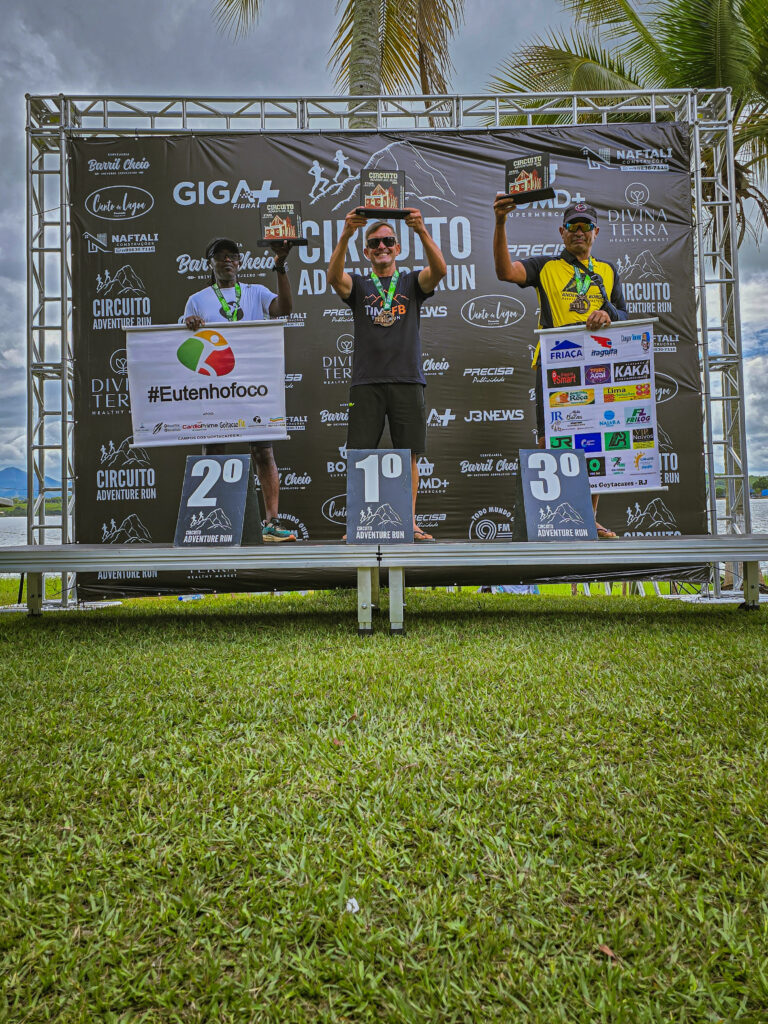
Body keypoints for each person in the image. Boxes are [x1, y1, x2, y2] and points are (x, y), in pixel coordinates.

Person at [493, 199, 629, 539]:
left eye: (585, 226)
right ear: (562, 232)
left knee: (595, 443)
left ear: (596, 232)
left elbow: (624, 314)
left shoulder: (607, 270)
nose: (579, 232)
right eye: (572, 226)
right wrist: (500, 222)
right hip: (556, 363)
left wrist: (608, 315)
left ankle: (588, 518)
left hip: (597, 364)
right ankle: (552, 521)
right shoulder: (545, 266)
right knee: (550, 439)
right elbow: (505, 272)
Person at [327, 210, 447, 540]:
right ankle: (356, 523)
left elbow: (439, 271)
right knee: (359, 455)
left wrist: (421, 230)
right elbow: (334, 278)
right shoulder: (359, 284)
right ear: (366, 251)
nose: (382, 246)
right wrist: (345, 235)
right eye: (375, 243)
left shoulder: (410, 282)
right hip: (366, 381)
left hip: (407, 379)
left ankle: (409, 522)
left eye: (388, 241)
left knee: (410, 455)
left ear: (397, 248)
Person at [183, 236, 297, 543]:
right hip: (216, 387)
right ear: (210, 264)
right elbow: (186, 344)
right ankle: (211, 522)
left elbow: (284, 308)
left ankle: (272, 522)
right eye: (220, 256)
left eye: (232, 256)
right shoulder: (197, 299)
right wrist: (189, 322)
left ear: (240, 262)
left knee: (263, 451)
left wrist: (280, 266)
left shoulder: (255, 292)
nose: (227, 260)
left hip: (252, 385)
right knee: (213, 450)